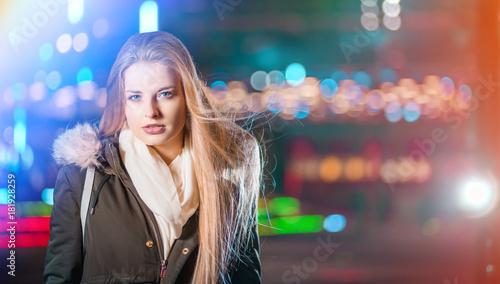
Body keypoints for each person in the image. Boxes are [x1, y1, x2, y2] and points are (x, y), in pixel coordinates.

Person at [43, 31, 263, 284]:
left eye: (165, 94)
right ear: (122, 102)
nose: (151, 111)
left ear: (188, 96)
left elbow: (245, 276)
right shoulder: (84, 175)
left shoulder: (227, 175)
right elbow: (59, 276)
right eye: (135, 97)